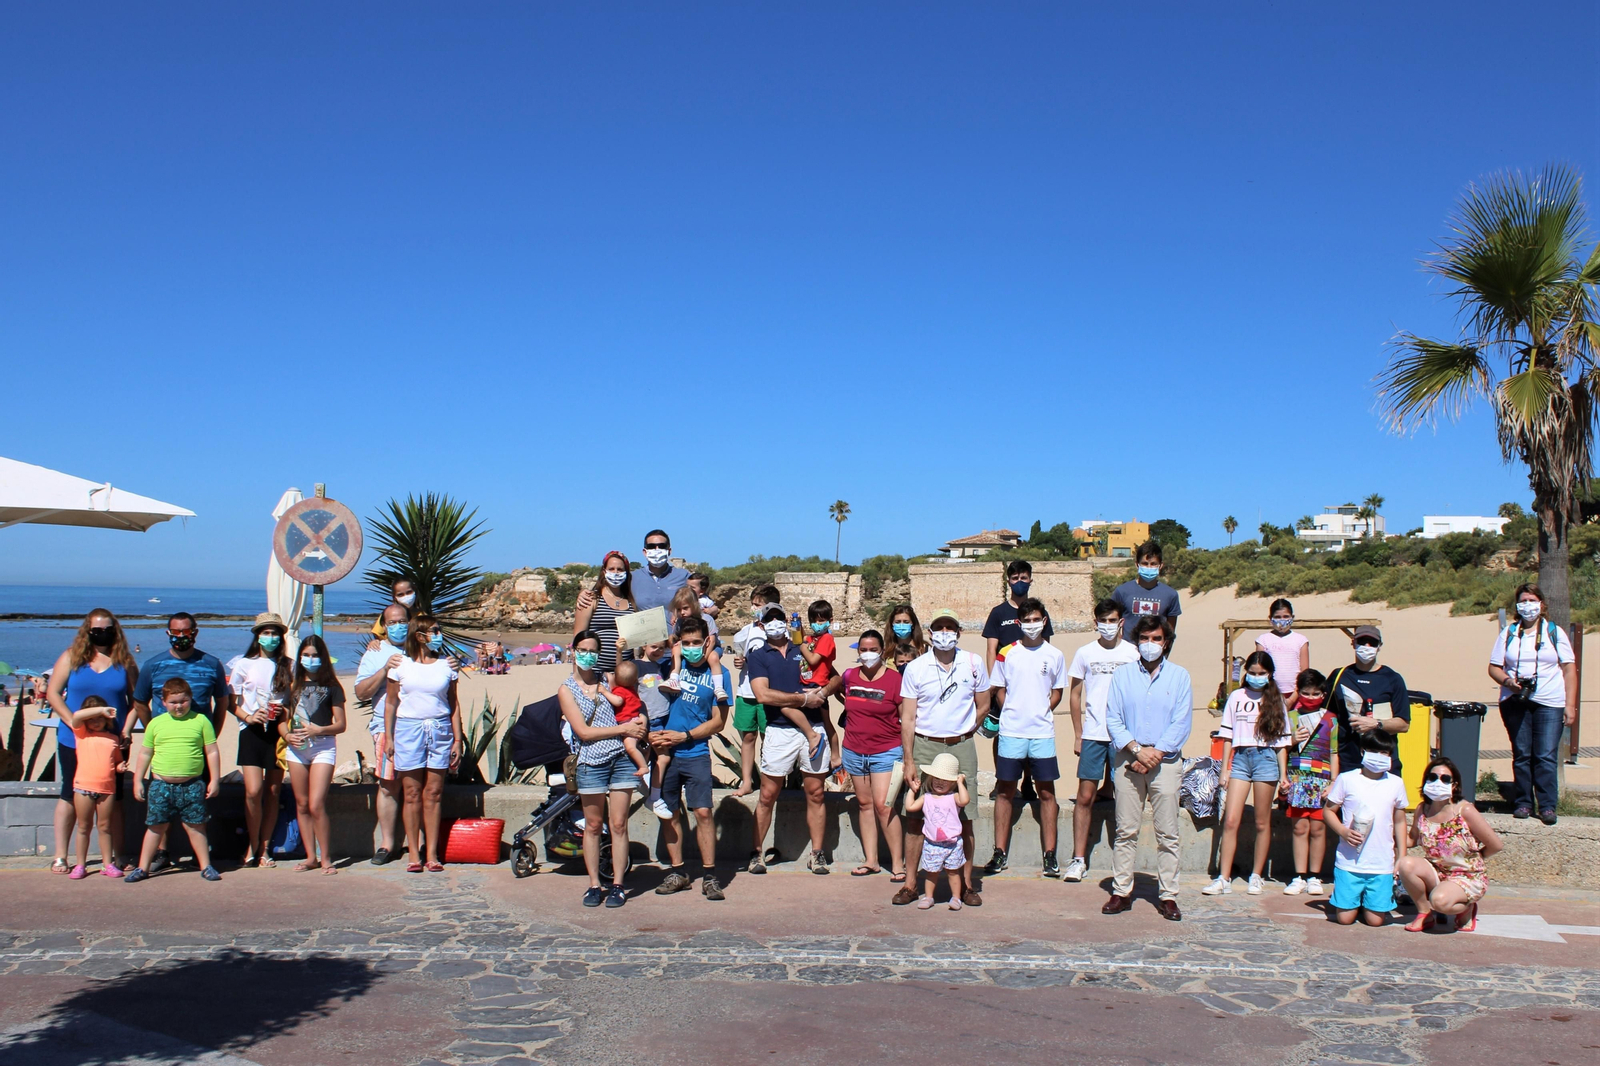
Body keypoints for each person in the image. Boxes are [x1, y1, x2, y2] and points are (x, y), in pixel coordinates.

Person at [894, 609, 991, 907]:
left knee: (966, 815)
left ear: (959, 632)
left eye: (950, 628)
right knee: (915, 817)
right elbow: (908, 718)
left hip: (961, 747)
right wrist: (909, 760)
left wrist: (962, 731)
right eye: (939, 628)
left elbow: (983, 705)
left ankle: (966, 883)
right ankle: (912, 884)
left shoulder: (973, 663)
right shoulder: (916, 668)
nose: (945, 633)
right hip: (925, 746)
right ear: (931, 632)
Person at [1102, 616, 1192, 921]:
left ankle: (1167, 895)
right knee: (1126, 829)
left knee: (1168, 833)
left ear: (1166, 642)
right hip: (1128, 759)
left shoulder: (1180, 676)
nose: (1150, 644)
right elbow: (1113, 718)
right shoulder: (1123, 675)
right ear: (1136, 640)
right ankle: (1121, 890)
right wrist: (1138, 750)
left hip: (1165, 762)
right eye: (1144, 638)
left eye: (1156, 638)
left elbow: (1182, 721)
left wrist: (1157, 752)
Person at [130, 612, 231, 872]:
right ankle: (162, 852)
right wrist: (152, 726)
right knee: (160, 807)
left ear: (195, 633)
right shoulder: (153, 665)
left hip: (197, 747)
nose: (181, 637)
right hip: (164, 749)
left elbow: (222, 701)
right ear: (168, 633)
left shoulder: (212, 664)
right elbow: (140, 701)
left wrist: (213, 733)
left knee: (198, 803)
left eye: (186, 632)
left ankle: (202, 858)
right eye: (176, 632)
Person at [46, 609, 137, 875]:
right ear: (87, 631)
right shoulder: (72, 657)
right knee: (69, 795)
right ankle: (61, 856)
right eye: (96, 630)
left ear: (115, 630)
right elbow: (53, 693)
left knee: (114, 799)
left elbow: (137, 701)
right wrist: (71, 720)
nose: (102, 634)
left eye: (107, 629)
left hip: (112, 742)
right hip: (74, 741)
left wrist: (127, 731)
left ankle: (117, 857)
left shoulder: (125, 661)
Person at [559, 630, 647, 907]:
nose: (588, 655)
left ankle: (619, 884)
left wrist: (640, 719)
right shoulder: (566, 689)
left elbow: (632, 697)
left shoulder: (606, 679)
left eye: (593, 650)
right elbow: (583, 733)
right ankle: (594, 883)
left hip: (620, 758)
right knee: (594, 825)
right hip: (589, 763)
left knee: (619, 824)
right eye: (583, 649)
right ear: (573, 651)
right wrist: (624, 728)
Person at [746, 604, 834, 875]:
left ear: (787, 622)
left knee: (816, 793)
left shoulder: (803, 648)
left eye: (779, 618)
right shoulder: (758, 655)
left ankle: (817, 854)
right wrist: (803, 699)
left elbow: (835, 677)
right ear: (761, 625)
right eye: (768, 619)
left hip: (815, 727)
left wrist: (822, 692)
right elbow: (764, 695)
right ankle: (756, 853)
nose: (775, 622)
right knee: (768, 794)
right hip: (779, 730)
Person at [984, 598, 1067, 878]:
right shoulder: (1007, 652)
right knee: (1005, 791)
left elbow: (1057, 690)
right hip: (1012, 732)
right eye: (1027, 620)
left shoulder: (1054, 654)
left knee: (1046, 792)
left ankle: (1050, 855)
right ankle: (999, 852)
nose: (1032, 625)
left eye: (1037, 619)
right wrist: (1011, 709)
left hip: (1042, 732)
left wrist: (1044, 709)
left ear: (1044, 621)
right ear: (1019, 623)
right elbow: (999, 688)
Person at [650, 618, 731, 900]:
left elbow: (719, 722)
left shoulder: (718, 674)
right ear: (679, 644)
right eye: (686, 643)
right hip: (665, 754)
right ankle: (678, 871)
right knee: (669, 813)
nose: (692, 648)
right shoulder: (671, 667)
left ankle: (709, 875)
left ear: (707, 641)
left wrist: (684, 736)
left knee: (704, 813)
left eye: (697, 642)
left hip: (695, 752)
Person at [819, 628, 904, 880]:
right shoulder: (849, 677)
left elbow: (907, 716)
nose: (868, 654)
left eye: (873, 650)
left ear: (883, 651)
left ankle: (898, 863)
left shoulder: (895, 680)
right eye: (863, 650)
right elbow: (834, 682)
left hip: (885, 751)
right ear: (858, 652)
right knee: (864, 804)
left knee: (883, 805)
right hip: (854, 750)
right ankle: (871, 860)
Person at [1063, 599, 1139, 883]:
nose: (1108, 625)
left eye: (1113, 620)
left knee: (1125, 799)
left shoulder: (1133, 653)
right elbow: (1075, 695)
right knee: (1085, 796)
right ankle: (1078, 859)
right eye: (1102, 620)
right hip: (1094, 735)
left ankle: (1123, 863)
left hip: (1124, 738)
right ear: (1095, 622)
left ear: (1122, 622)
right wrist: (1078, 733)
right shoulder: (1085, 653)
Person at [1487, 584, 1576, 824]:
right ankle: (1523, 802)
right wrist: (1509, 681)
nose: (1528, 605)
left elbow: (1568, 669)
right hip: (1515, 700)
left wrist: (1570, 705)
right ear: (1517, 605)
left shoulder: (1554, 632)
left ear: (1542, 604)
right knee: (1522, 753)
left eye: (1532, 600)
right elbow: (1493, 667)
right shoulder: (1509, 633)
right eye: (1523, 600)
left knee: (1545, 754)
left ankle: (1547, 806)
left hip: (1550, 701)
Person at [1204, 651, 1291, 895]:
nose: (1256, 677)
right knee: (1231, 820)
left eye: (1261, 673)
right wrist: (1225, 769)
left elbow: (1283, 742)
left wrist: (1283, 774)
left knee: (1262, 821)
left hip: (1266, 758)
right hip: (1241, 758)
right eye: (1252, 673)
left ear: (1270, 674)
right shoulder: (1236, 696)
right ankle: (1223, 877)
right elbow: (1228, 735)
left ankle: (1256, 875)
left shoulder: (1276, 700)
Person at [384, 615, 463, 873]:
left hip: (439, 730)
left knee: (434, 793)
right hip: (409, 730)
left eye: (439, 630)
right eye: (434, 631)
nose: (438, 635)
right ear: (419, 635)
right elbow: (391, 703)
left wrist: (457, 740)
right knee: (412, 793)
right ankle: (413, 854)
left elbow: (453, 704)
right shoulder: (400, 665)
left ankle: (432, 854)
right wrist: (390, 737)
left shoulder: (446, 666)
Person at [124, 678, 222, 883]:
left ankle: (206, 866)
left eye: (183, 701)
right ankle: (143, 868)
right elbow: (145, 753)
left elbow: (211, 751)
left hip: (192, 785)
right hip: (161, 785)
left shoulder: (201, 721)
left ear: (190, 699)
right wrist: (138, 780)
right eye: (173, 702)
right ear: (163, 702)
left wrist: (214, 780)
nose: (178, 706)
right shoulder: (156, 723)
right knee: (155, 827)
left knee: (196, 826)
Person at [1398, 755, 1503, 932]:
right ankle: (1425, 913)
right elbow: (1411, 839)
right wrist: (1391, 829)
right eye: (1432, 777)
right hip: (1437, 871)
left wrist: (1476, 858)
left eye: (1445, 778)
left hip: (1466, 876)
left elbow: (1495, 845)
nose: (1437, 782)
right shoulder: (1422, 809)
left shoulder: (1465, 810)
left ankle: (1466, 907)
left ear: (1454, 785)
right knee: (1406, 864)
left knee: (1439, 902)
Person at [1324, 731, 1409, 927]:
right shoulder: (1347, 779)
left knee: (1375, 921)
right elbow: (1328, 811)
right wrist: (1343, 831)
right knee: (1344, 919)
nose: (1379, 757)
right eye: (1373, 751)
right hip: (1349, 863)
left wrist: (1401, 855)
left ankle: (1369, 903)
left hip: (1381, 863)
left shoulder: (1396, 783)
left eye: (1384, 753)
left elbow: (1400, 820)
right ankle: (1351, 900)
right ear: (1362, 751)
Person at [228, 612, 292, 868]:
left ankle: (265, 848)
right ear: (257, 636)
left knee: (273, 791)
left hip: (277, 731)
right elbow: (231, 703)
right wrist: (248, 716)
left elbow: (291, 700)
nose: (271, 637)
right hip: (251, 731)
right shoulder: (243, 664)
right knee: (253, 791)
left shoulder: (289, 665)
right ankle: (251, 845)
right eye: (266, 632)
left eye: (275, 633)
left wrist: (283, 714)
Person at [280, 634, 346, 874]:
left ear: (323, 657)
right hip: (297, 749)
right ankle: (311, 857)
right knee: (302, 803)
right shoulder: (292, 686)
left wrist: (320, 729)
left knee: (317, 803)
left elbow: (341, 724)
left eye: (315, 655)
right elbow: (281, 720)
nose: (310, 659)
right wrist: (287, 736)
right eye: (306, 655)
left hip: (323, 746)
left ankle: (326, 857)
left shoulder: (333, 687)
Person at [357, 604, 409, 865]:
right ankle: (387, 844)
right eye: (392, 622)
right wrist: (384, 669)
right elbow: (361, 692)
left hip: (417, 728)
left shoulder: (421, 649)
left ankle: (417, 844)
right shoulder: (375, 653)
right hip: (386, 728)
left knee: (415, 786)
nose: (398, 626)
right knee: (388, 786)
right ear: (384, 626)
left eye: (402, 621)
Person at [1327, 625, 1411, 777]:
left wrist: (1377, 724)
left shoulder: (1393, 679)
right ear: (1353, 643)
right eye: (1362, 641)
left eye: (1372, 643)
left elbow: (1404, 724)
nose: (1367, 646)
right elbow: (1326, 715)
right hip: (1347, 760)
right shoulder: (1339, 675)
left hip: (1383, 761)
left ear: (1379, 647)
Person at [1282, 668, 1335, 896]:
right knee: (1299, 827)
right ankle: (1299, 875)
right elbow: (1282, 747)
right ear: (1298, 692)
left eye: (1316, 694)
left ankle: (1315, 876)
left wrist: (1334, 781)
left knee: (1318, 828)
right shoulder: (1291, 717)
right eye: (1306, 693)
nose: (1311, 698)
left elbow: (1334, 752)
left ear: (1323, 694)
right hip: (1297, 777)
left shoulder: (1331, 719)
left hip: (1322, 778)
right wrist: (1293, 740)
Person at [66, 696, 125, 879]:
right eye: (92, 718)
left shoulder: (113, 738)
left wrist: (121, 766)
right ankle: (80, 865)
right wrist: (100, 710)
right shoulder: (81, 734)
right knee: (84, 826)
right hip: (83, 787)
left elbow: (117, 760)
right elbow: (76, 716)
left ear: (107, 719)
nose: (96, 721)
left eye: (100, 718)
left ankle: (108, 863)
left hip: (107, 789)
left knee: (104, 827)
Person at [729, 585, 780, 796]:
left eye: (758, 605)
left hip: (769, 694)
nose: (754, 608)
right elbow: (740, 655)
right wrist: (738, 662)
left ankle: (771, 783)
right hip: (747, 693)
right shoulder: (745, 631)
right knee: (748, 738)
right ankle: (747, 781)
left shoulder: (778, 630)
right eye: (753, 604)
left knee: (769, 739)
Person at [905, 753, 971, 910]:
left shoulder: (954, 797)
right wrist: (912, 790)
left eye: (945, 780)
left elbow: (965, 800)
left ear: (952, 782)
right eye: (937, 778)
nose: (940, 782)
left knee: (953, 872)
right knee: (931, 873)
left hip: (953, 844)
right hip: (932, 843)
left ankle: (956, 897)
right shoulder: (926, 797)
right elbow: (910, 806)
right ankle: (929, 897)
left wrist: (960, 783)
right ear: (930, 778)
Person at [573, 551, 638, 676]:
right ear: (604, 571)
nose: (615, 573)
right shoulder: (591, 599)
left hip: (624, 674)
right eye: (611, 569)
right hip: (595, 671)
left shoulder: (631, 602)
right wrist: (577, 676)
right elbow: (578, 639)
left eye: (620, 569)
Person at [982, 561, 1055, 671]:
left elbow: (1045, 646)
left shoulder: (1040, 613)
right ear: (1009, 582)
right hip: (1006, 671)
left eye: (1024, 578)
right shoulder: (998, 612)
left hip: (1033, 670)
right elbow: (991, 650)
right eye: (1015, 578)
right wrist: (994, 680)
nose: (1019, 582)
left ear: (1030, 581)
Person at [1110, 541, 1182, 643]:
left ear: (1160, 565)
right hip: (1128, 653)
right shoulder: (1122, 591)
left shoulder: (1171, 594)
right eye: (1145, 563)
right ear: (1137, 565)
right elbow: (1112, 621)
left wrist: (1163, 654)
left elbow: (1170, 631)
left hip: (1155, 652)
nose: (1149, 567)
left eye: (1153, 564)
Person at [1255, 598, 1310, 702]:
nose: (1282, 620)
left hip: (1296, 694)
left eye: (1286, 617)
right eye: (1277, 617)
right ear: (1270, 618)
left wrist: (1292, 699)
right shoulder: (1263, 640)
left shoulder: (1301, 640)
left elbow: (1304, 673)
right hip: (1270, 693)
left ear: (1292, 617)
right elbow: (1260, 670)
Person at [605, 660, 652, 779]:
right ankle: (644, 752)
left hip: (629, 722)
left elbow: (618, 701)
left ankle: (643, 766)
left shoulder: (620, 690)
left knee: (630, 747)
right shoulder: (631, 689)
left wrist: (604, 691)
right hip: (635, 719)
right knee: (634, 746)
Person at [631, 529, 690, 615]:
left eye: (662, 546)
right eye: (651, 546)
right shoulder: (632, 578)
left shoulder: (683, 576)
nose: (657, 550)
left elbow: (700, 600)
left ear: (669, 551)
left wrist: (712, 609)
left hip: (676, 628)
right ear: (645, 552)